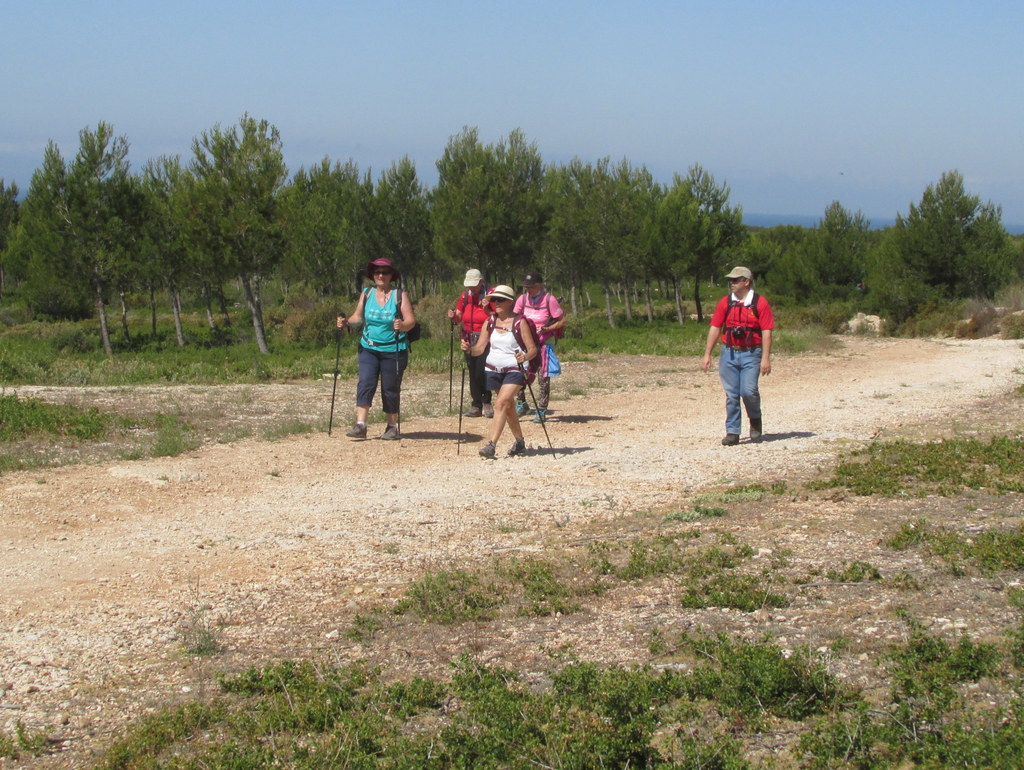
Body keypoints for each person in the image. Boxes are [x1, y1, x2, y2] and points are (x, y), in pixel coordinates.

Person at [336, 257, 417, 440]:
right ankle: (361, 425)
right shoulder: (367, 293)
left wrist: (402, 326)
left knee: (390, 387)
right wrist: (347, 323)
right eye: (377, 272)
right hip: (369, 348)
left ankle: (392, 426)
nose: (381, 275)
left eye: (385, 272)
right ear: (373, 275)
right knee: (365, 382)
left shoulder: (399, 295)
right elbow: (358, 317)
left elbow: (411, 321)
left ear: (391, 275)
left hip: (393, 349)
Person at [462, 285, 538, 458]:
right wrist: (468, 349)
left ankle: (491, 444)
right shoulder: (489, 322)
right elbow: (479, 349)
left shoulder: (520, 322)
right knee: (508, 405)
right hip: (493, 369)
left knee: (501, 403)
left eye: (500, 300)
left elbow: (532, 349)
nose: (496, 303)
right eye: (494, 300)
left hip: (515, 369)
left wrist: (525, 357)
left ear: (511, 302)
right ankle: (519, 442)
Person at [701, 266, 775, 446]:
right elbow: (715, 328)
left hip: (752, 353)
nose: (731, 283)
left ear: (746, 282)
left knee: (748, 391)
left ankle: (755, 420)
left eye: (735, 280)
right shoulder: (725, 303)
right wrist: (707, 353)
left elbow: (766, 332)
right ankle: (732, 432)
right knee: (732, 394)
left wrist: (765, 358)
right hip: (729, 352)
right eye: (731, 280)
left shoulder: (760, 303)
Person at [513, 271, 565, 422]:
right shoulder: (522, 299)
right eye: (527, 287)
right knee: (522, 373)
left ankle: (542, 408)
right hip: (526, 343)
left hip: (544, 343)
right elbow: (515, 317)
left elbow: (561, 320)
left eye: (532, 287)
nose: (528, 290)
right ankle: (521, 403)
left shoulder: (550, 300)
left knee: (543, 377)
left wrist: (548, 329)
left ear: (539, 286)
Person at [447, 269, 494, 418]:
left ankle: (486, 401)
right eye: (469, 285)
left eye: (474, 285)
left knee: (483, 370)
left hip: (485, 337)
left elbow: (497, 316)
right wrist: (453, 316)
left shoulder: (491, 295)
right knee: (472, 371)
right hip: (468, 337)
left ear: (481, 282)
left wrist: (487, 308)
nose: (471, 289)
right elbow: (459, 316)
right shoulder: (465, 296)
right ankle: (476, 404)